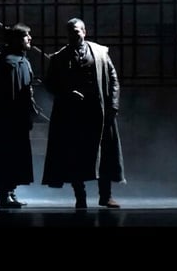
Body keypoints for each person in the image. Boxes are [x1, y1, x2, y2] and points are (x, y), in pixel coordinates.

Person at [42, 17, 125, 209]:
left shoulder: (100, 53)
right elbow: (50, 84)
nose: (73, 35)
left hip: (98, 112)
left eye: (76, 31)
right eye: (70, 32)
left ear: (84, 32)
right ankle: (80, 196)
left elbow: (113, 79)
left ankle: (106, 196)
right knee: (74, 156)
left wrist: (113, 105)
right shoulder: (59, 58)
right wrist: (67, 93)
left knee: (104, 154)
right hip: (73, 115)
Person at [0, 23, 39, 208]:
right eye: (26, 36)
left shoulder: (21, 61)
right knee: (6, 154)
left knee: (14, 155)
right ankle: (4, 194)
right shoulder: (9, 63)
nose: (29, 38)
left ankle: (10, 192)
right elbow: (10, 93)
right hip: (9, 118)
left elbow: (26, 89)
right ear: (16, 40)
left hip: (17, 116)